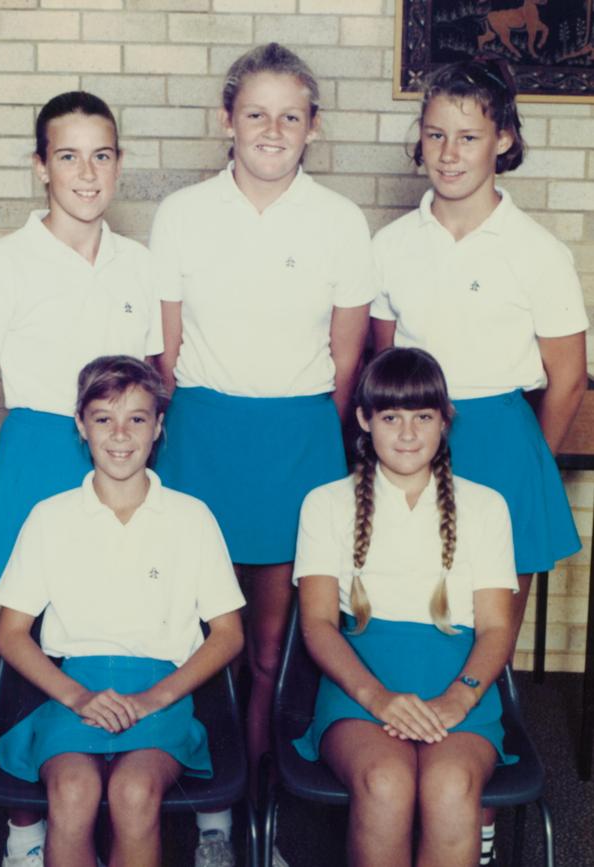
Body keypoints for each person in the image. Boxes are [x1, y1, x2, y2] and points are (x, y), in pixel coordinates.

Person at [149, 42, 375, 866]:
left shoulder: (340, 220)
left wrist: (316, 435)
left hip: (297, 439)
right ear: (226, 120)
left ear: (313, 127)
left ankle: (260, 804)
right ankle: (206, 807)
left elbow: (347, 363)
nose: (272, 130)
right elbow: (164, 354)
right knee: (192, 631)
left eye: (290, 115)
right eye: (256, 113)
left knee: (275, 644)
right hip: (203, 435)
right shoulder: (182, 213)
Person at [370, 62, 589, 863]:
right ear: (418, 141)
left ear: (503, 139)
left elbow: (565, 377)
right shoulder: (391, 243)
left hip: (499, 437)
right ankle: (401, 753)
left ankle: (480, 801)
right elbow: (381, 365)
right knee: (409, 609)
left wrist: (522, 455)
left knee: (485, 633)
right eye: (434, 134)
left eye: (468, 135)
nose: (449, 151)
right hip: (409, 437)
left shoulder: (536, 250)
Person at [0, 92, 163, 866]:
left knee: (118, 621)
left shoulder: (139, 263)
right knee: (33, 640)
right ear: (41, 166)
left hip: (116, 453)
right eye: (67, 155)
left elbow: (151, 387)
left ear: (119, 165)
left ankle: (139, 788)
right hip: (37, 450)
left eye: (101, 155)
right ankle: (26, 822)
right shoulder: (10, 259)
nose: (86, 171)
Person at [0, 355, 245, 867]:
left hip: (162, 689)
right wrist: (77, 696)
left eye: (137, 418)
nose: (121, 434)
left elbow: (227, 634)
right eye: (104, 418)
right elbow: (12, 632)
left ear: (158, 428)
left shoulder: (191, 518)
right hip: (73, 689)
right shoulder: (50, 517)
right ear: (81, 427)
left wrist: (156, 697)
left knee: (133, 794)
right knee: (73, 793)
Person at [293, 347, 518, 867]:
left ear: (445, 420)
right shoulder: (325, 503)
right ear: (364, 420)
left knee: (450, 783)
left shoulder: (486, 506)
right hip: (361, 683)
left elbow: (496, 627)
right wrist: (378, 699)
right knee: (386, 782)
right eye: (391, 417)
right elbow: (319, 624)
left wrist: (458, 700)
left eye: (423, 416)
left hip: (458, 681)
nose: (408, 433)